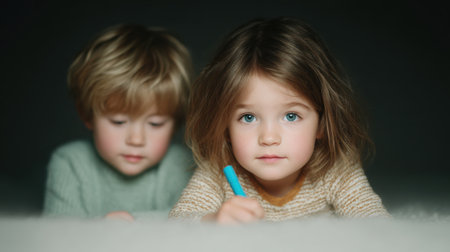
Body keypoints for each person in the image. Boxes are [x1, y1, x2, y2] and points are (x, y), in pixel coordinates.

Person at [169, 17, 389, 224]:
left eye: (291, 116)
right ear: (225, 127)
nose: (269, 138)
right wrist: (212, 221)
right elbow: (180, 220)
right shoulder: (218, 172)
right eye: (248, 117)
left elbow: (374, 221)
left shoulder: (335, 171)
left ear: (322, 124)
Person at [44, 24, 194, 220]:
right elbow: (57, 231)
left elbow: (194, 218)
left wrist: (132, 222)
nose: (136, 140)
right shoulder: (70, 163)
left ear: (176, 122)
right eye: (118, 121)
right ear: (87, 116)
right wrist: (103, 227)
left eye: (155, 124)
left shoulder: (180, 163)